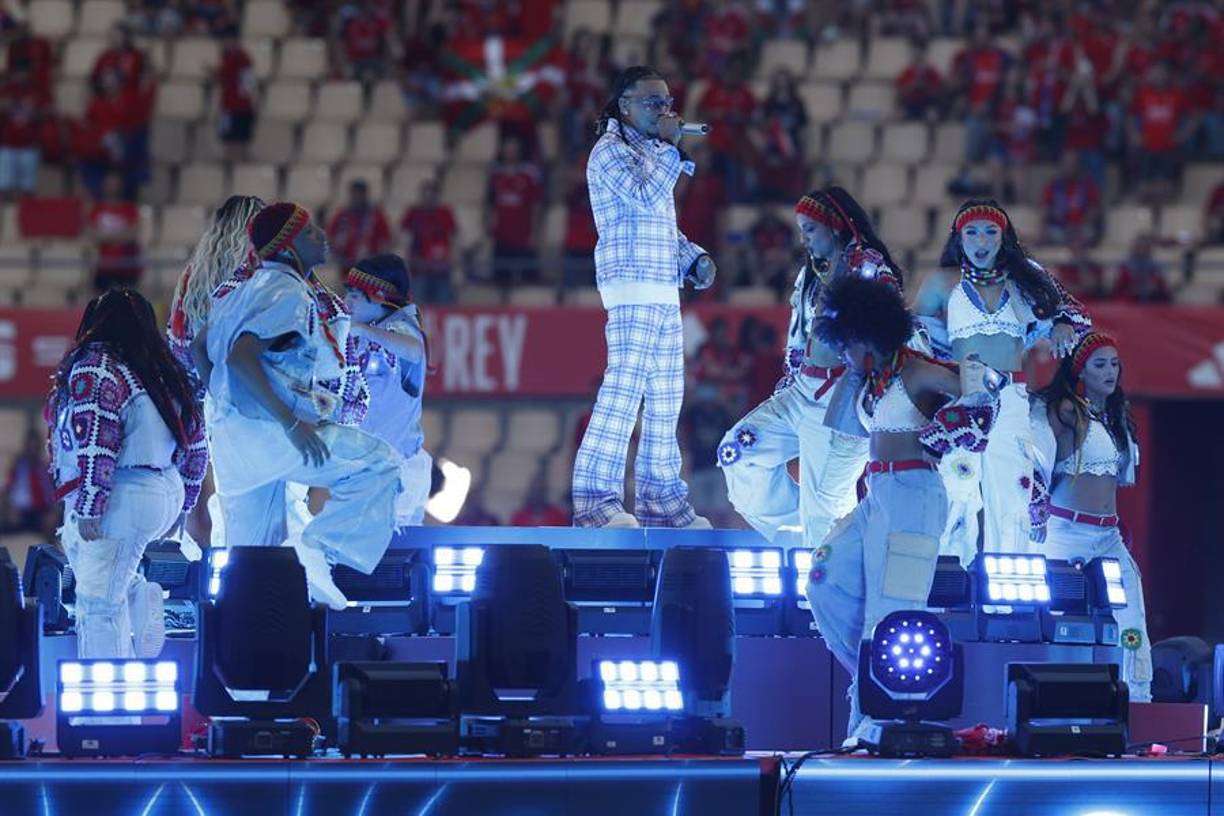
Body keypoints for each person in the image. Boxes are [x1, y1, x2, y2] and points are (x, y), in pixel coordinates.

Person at [804, 274, 982, 745]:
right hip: (876, 493)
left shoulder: (917, 370)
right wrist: (858, 368)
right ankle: (873, 683)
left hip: (914, 493)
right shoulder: (870, 378)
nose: (841, 353)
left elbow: (976, 390)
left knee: (892, 611)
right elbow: (842, 426)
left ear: (868, 334)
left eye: (846, 343)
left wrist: (964, 413)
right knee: (824, 578)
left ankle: (876, 718)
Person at [196, 202, 401, 609]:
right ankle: (320, 547)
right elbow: (240, 356)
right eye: (309, 233)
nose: (322, 236)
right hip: (275, 436)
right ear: (288, 247)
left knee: (254, 559)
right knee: (380, 463)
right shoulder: (286, 291)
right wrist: (291, 424)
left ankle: (247, 652)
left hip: (234, 444)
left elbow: (200, 345)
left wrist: (224, 405)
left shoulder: (241, 289)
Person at [571, 65, 717, 529]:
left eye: (667, 101)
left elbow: (657, 222)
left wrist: (691, 256)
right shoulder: (609, 153)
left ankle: (662, 504)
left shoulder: (652, 152)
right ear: (624, 105)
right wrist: (670, 147)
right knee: (622, 395)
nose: (664, 110)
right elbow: (643, 194)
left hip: (662, 287)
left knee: (665, 400)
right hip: (630, 287)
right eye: (653, 102)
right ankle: (595, 504)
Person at [718, 187, 901, 544]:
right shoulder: (811, 274)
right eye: (801, 229)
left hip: (840, 398)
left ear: (835, 226)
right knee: (737, 453)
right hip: (799, 390)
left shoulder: (867, 267)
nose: (803, 238)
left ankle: (827, 555)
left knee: (825, 509)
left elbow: (888, 331)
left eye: (811, 229)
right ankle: (805, 531)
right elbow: (798, 337)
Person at [915, 200, 1090, 562]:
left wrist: (1061, 324)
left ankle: (1010, 590)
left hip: (1011, 399)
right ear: (958, 238)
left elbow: (1075, 315)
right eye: (972, 232)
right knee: (956, 491)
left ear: (1004, 237)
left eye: (990, 231)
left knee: (1013, 494)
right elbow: (911, 338)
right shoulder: (941, 283)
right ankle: (946, 584)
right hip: (963, 396)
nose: (981, 240)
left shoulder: (1026, 278)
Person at [47, 289, 208, 658]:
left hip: (121, 490)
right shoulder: (164, 369)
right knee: (91, 563)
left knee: (97, 602)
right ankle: (139, 595)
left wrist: (91, 501)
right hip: (162, 487)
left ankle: (109, 701)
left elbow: (98, 436)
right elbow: (198, 442)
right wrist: (184, 503)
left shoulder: (97, 365)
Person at [1031, 332, 1150, 701]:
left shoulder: (1114, 418)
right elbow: (1035, 462)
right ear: (1080, 369)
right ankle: (1039, 699)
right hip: (1063, 532)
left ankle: (1138, 700)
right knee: (1047, 617)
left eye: (1114, 363)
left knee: (1132, 621)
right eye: (1100, 364)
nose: (1110, 371)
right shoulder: (1066, 410)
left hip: (1108, 538)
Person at [342, 254, 433, 528]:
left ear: (380, 296)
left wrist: (362, 331)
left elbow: (413, 350)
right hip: (371, 471)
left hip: (397, 472)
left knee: (390, 562)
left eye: (356, 296)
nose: (347, 302)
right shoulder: (367, 331)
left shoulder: (400, 327)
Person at [400, 178, 458, 304]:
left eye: (431, 196)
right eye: (425, 196)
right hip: (420, 269)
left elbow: (454, 238)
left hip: (441, 270)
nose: (428, 200)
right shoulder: (413, 213)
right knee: (418, 306)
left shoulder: (445, 213)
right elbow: (404, 237)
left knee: (444, 304)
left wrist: (452, 260)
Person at [89, 173, 142, 291]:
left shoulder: (130, 209)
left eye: (115, 184)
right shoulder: (97, 209)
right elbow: (92, 235)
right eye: (109, 184)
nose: (112, 187)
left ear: (121, 186)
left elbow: (133, 234)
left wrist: (106, 236)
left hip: (126, 266)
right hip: (103, 267)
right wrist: (121, 235)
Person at [327, 179, 392, 272]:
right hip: (345, 263)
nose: (356, 197)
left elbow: (386, 238)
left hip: (368, 264)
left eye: (359, 194)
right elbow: (331, 234)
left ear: (365, 194)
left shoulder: (375, 215)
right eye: (354, 193)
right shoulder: (343, 214)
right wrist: (336, 253)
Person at [216, 24, 257, 162]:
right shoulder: (229, 58)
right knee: (229, 141)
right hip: (230, 106)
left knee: (236, 142)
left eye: (226, 39)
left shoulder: (242, 59)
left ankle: (237, 171)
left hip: (237, 107)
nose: (224, 43)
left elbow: (248, 86)